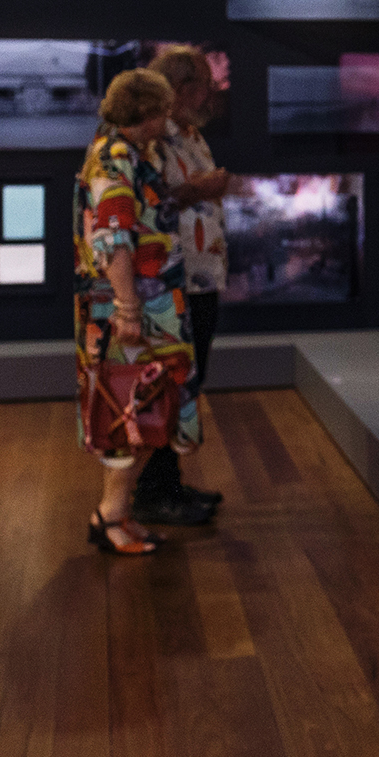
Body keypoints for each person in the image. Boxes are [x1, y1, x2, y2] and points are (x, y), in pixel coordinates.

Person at [74, 69, 203, 554]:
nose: (168, 117)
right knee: (128, 407)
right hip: (134, 309)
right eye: (162, 108)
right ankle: (109, 518)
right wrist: (127, 308)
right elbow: (113, 240)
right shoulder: (116, 158)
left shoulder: (125, 154)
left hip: (149, 304)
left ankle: (119, 514)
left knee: (144, 405)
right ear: (145, 113)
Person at [132, 45, 227, 524]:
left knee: (190, 381)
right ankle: (153, 491)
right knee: (174, 381)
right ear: (181, 88)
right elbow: (146, 206)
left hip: (201, 278)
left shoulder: (189, 134)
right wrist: (200, 190)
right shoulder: (154, 139)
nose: (210, 92)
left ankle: (167, 483)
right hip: (176, 281)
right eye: (202, 84)